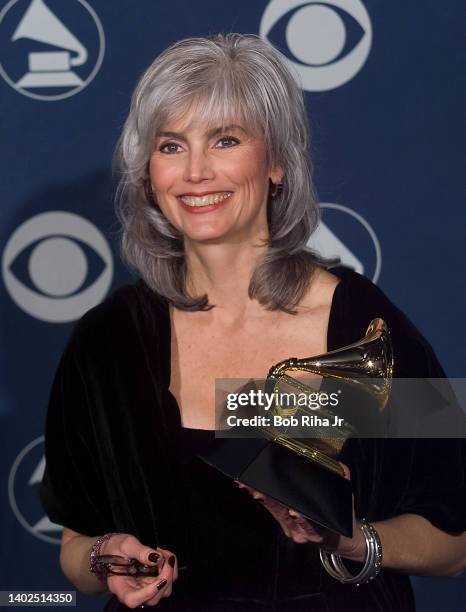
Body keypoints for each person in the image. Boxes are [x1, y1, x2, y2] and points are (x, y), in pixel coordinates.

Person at [40, 33, 466, 611]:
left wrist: (347, 538)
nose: (195, 172)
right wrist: (108, 556)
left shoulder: (366, 329)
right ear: (148, 172)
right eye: (170, 146)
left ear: (278, 162)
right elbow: (75, 545)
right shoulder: (108, 342)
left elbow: (456, 541)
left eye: (225, 140)